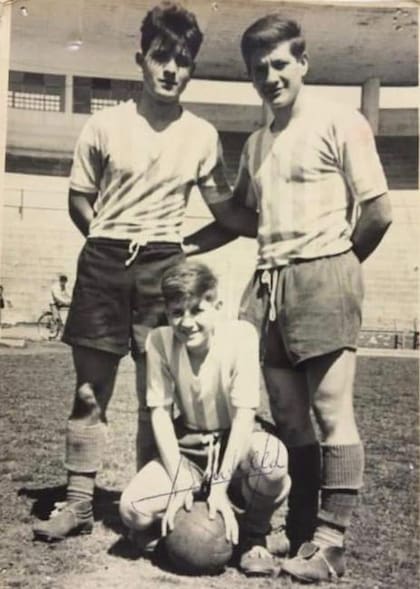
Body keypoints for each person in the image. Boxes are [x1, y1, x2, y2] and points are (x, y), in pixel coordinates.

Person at [32, 1, 255, 543]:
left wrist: (180, 246)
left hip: (164, 268)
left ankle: (149, 507)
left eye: (182, 60)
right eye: (161, 57)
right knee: (89, 392)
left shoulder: (202, 135)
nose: (171, 70)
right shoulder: (104, 124)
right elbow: (79, 201)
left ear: (192, 67)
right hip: (105, 263)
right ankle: (80, 502)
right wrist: (112, 244)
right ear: (141, 59)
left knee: (156, 395)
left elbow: (226, 216)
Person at [187, 15, 392, 584]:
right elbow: (242, 218)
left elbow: (377, 211)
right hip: (268, 284)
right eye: (260, 69)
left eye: (280, 64)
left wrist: (339, 267)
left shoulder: (340, 121)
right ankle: (303, 532)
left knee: (331, 414)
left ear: (303, 63)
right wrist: (187, 222)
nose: (271, 76)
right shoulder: (256, 143)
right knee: (290, 420)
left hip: (323, 274)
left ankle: (331, 542)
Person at [119, 260, 291, 576]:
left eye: (197, 310)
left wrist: (221, 488)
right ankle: (182, 530)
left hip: (235, 446)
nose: (186, 322)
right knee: (132, 510)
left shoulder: (242, 335)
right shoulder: (158, 340)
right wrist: (177, 481)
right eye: (176, 313)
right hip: (190, 450)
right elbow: (159, 413)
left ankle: (256, 535)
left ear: (217, 306)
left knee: (272, 459)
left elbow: (244, 417)